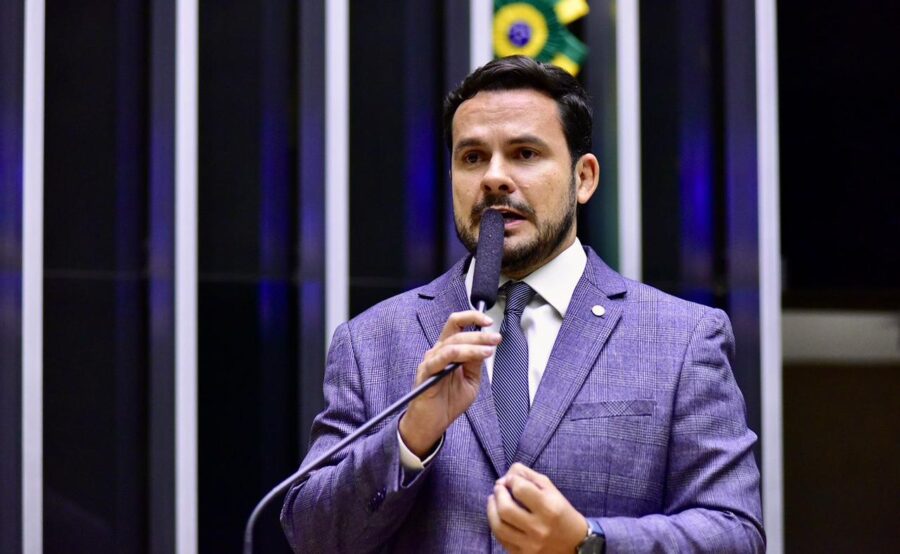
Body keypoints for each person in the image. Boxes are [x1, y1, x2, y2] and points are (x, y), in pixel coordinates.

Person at [281, 55, 764, 553]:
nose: (494, 178)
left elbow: (735, 533)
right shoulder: (371, 341)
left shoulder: (681, 338)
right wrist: (410, 435)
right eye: (472, 158)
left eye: (525, 154)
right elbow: (312, 536)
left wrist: (588, 542)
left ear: (584, 178)